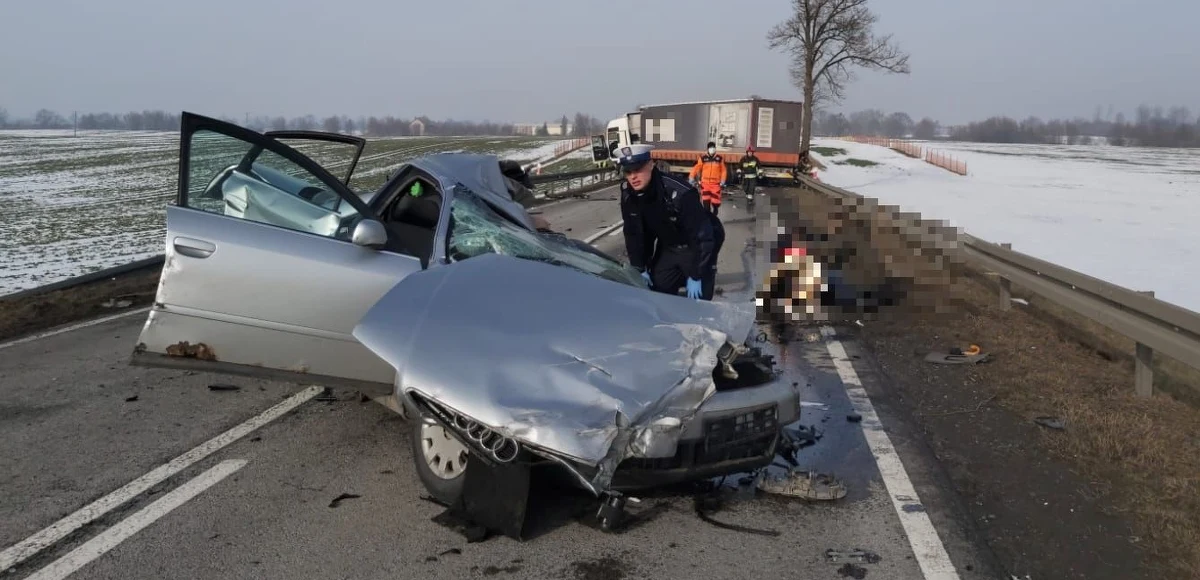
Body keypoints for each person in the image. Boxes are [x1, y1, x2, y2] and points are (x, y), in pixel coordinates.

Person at [616, 144, 725, 300]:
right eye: (628, 171)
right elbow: (634, 233)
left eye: (638, 169)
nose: (633, 177)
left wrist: (696, 274)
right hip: (669, 245)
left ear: (651, 164)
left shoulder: (679, 193)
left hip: (696, 244)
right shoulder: (629, 195)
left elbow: (703, 236)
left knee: (700, 300)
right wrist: (639, 267)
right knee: (658, 292)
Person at [688, 141, 728, 216]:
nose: (712, 149)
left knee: (716, 203)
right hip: (705, 184)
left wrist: (723, 181)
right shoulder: (703, 158)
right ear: (708, 149)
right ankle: (709, 219)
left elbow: (723, 170)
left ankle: (715, 210)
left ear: (715, 149)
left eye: (713, 148)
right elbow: (696, 168)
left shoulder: (719, 158)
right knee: (706, 205)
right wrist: (691, 177)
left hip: (716, 185)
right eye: (710, 148)